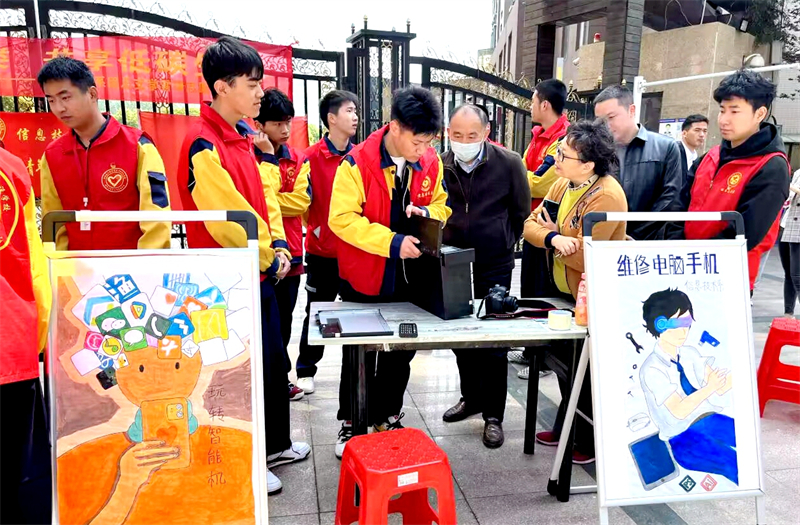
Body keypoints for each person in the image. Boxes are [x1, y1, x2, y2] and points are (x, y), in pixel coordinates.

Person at [176, 36, 308, 496]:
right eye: (252, 85)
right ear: (221, 86)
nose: (259, 93)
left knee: (271, 363)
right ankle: (247, 459)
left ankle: (274, 446)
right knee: (238, 372)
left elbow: (264, 200)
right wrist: (271, 255)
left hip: (258, 271)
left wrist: (278, 245)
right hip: (226, 280)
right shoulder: (203, 142)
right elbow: (227, 218)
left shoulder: (243, 138)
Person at [329, 86, 451, 458]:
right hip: (365, 273)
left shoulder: (430, 162)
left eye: (429, 142)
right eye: (417, 141)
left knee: (401, 351)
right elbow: (341, 219)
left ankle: (386, 415)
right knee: (359, 353)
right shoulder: (356, 163)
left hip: (412, 277)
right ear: (395, 127)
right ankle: (351, 420)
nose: (423, 149)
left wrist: (427, 214)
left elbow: (442, 205)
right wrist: (393, 243)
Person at [523, 119, 628, 464]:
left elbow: (586, 253)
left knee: (587, 373)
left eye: (563, 155)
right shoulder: (562, 184)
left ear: (587, 164)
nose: (556, 159)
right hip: (563, 293)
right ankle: (566, 426)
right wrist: (555, 237)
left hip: (591, 296)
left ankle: (588, 440)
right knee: (566, 366)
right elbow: (530, 227)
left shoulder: (607, 194)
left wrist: (557, 236)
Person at [440, 104, 530, 448]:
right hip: (454, 261)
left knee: (493, 339)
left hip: (494, 261)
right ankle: (471, 398)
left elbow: (521, 211)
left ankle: (494, 415)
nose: (464, 142)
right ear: (448, 133)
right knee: (460, 335)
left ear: (486, 133)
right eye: (457, 135)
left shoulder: (509, 163)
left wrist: (503, 239)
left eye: (471, 135)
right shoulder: (439, 164)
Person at [37, 57, 171, 251]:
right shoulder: (52, 156)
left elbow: (156, 215)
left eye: (65, 98)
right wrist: (60, 264)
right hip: (75, 266)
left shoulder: (137, 146)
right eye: (51, 100)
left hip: (130, 265)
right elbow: (54, 220)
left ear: (92, 94)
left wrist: (145, 263)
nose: (59, 108)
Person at [684, 69, 790, 292]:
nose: (724, 119)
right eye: (722, 110)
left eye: (734, 111)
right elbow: (680, 204)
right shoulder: (711, 156)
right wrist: (676, 247)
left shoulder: (771, 166)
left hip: (728, 280)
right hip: (684, 267)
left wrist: (693, 257)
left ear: (759, 114)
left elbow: (745, 233)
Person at [0, 148, 52, 525]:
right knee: (17, 478)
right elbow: (35, 268)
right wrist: (36, 338)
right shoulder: (13, 167)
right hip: (13, 340)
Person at [295, 90, 359, 394]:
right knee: (316, 312)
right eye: (349, 111)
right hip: (322, 253)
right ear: (331, 118)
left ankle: (356, 372)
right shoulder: (310, 157)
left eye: (355, 111)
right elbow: (303, 205)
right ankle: (305, 369)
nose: (355, 117)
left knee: (356, 314)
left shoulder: (360, 157)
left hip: (355, 252)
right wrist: (318, 229)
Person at [639, 289, 737, 484]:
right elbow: (678, 410)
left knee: (748, 443)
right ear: (660, 324)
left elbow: (719, 386)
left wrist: (741, 369)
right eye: (677, 324)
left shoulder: (690, 353)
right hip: (683, 437)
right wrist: (710, 387)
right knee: (733, 462)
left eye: (687, 323)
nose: (684, 331)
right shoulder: (651, 368)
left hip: (711, 420)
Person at [253, 88, 311, 402]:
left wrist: (268, 199)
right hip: (260, 254)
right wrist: (270, 194)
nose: (286, 129)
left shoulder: (298, 158)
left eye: (288, 122)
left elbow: (302, 201)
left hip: (292, 255)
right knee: (263, 324)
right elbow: (254, 199)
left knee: (285, 320)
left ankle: (282, 377)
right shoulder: (247, 156)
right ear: (259, 124)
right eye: (277, 123)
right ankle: (262, 380)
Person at [594, 85, 683, 240]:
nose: (606, 126)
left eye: (611, 117)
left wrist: (633, 236)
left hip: (649, 241)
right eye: (600, 121)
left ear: (632, 110)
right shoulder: (596, 151)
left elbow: (669, 199)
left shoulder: (666, 147)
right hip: (606, 238)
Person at [521, 79, 570, 298]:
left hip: (552, 225)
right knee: (529, 290)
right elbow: (524, 172)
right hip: (535, 223)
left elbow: (539, 184)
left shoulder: (563, 139)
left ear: (545, 105)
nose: (530, 106)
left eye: (533, 101)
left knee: (544, 294)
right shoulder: (538, 135)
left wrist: (520, 177)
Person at [780, 169, 800, 318]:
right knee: (789, 274)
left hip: (798, 229)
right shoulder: (798, 172)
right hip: (786, 224)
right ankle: (788, 315)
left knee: (797, 276)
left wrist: (786, 184)